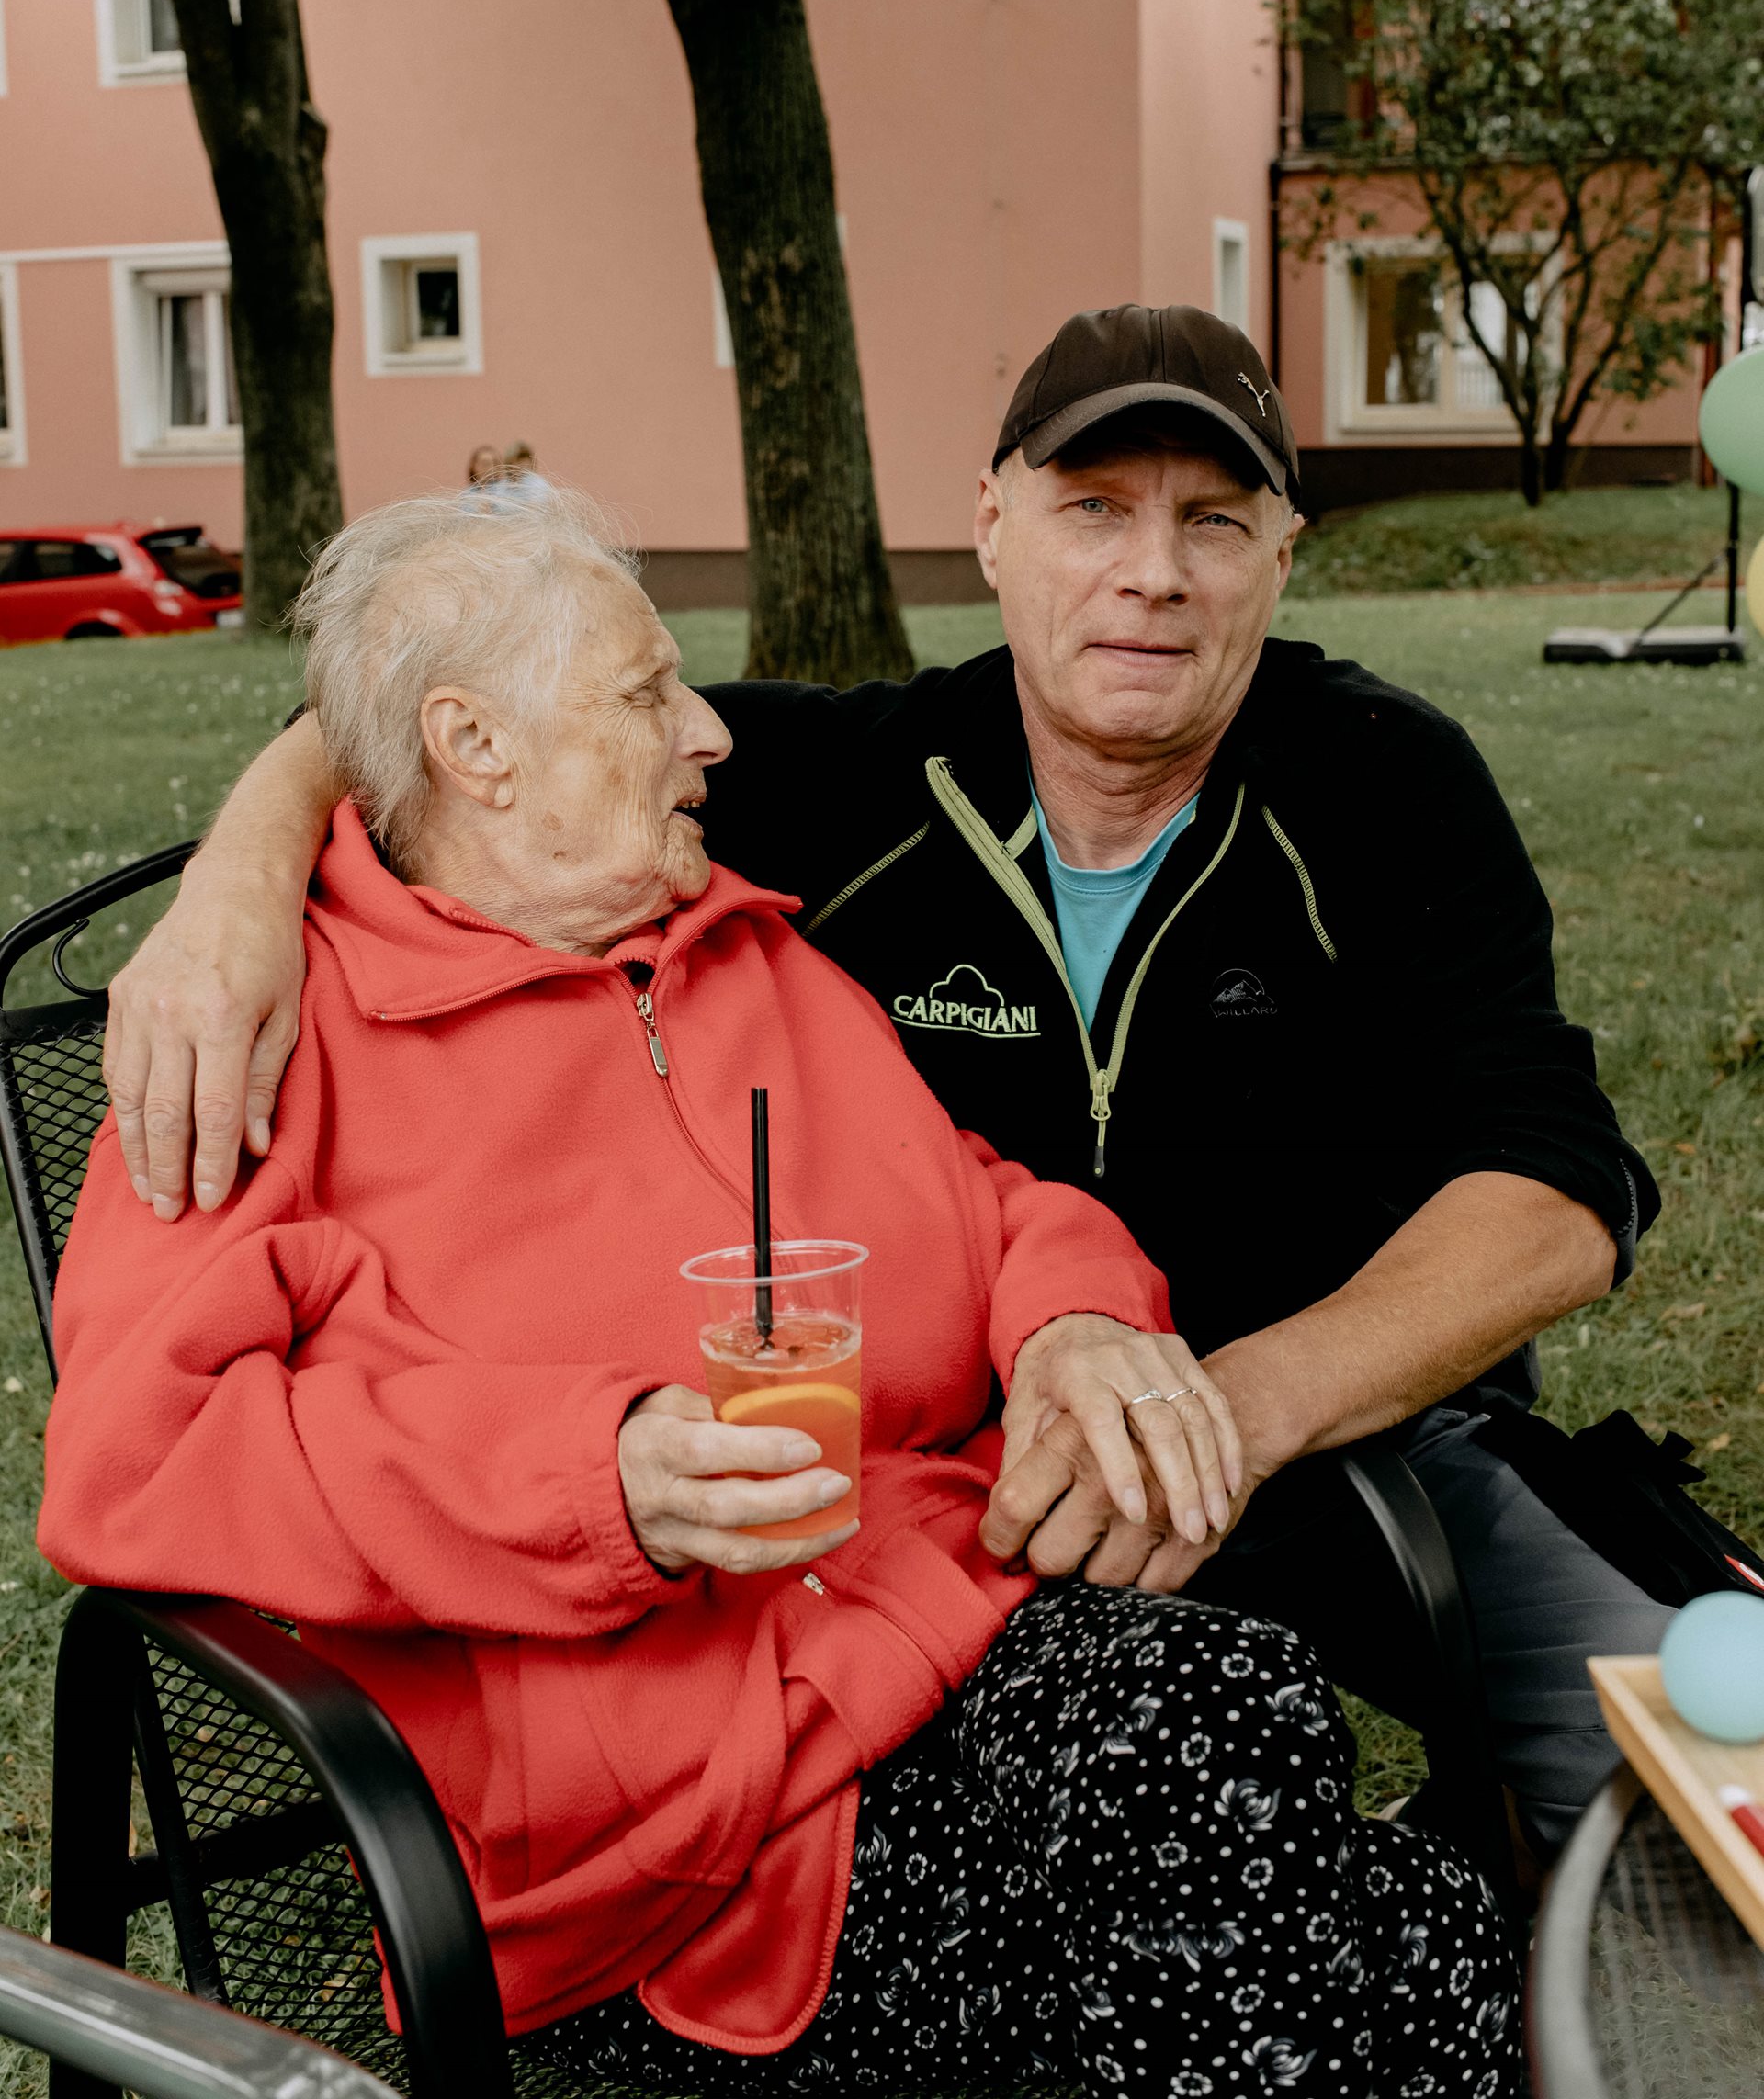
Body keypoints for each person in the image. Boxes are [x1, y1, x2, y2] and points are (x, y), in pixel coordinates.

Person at [104, 304, 1669, 1861]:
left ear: (1282, 554)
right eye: (1094, 510)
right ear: (990, 526)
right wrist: (233, 889)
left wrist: (1230, 1411)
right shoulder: (843, 781)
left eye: (1213, 521)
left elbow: (1554, 1194)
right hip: (985, 1496)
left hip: (1340, 1440)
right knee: (1156, 1805)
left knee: (1700, 1774)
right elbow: (428, 707)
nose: (1153, 572)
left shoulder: (1387, 781)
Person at [40, 490, 1523, 2098]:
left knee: (1348, 1856)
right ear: (475, 746)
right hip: (660, 1823)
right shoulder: (256, 1044)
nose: (710, 735)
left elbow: (985, 1198)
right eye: (646, 693)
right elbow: (138, 1453)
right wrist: (589, 1480)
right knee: (1306, 1850)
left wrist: (1073, 1319)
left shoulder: (745, 957)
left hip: (934, 1631)